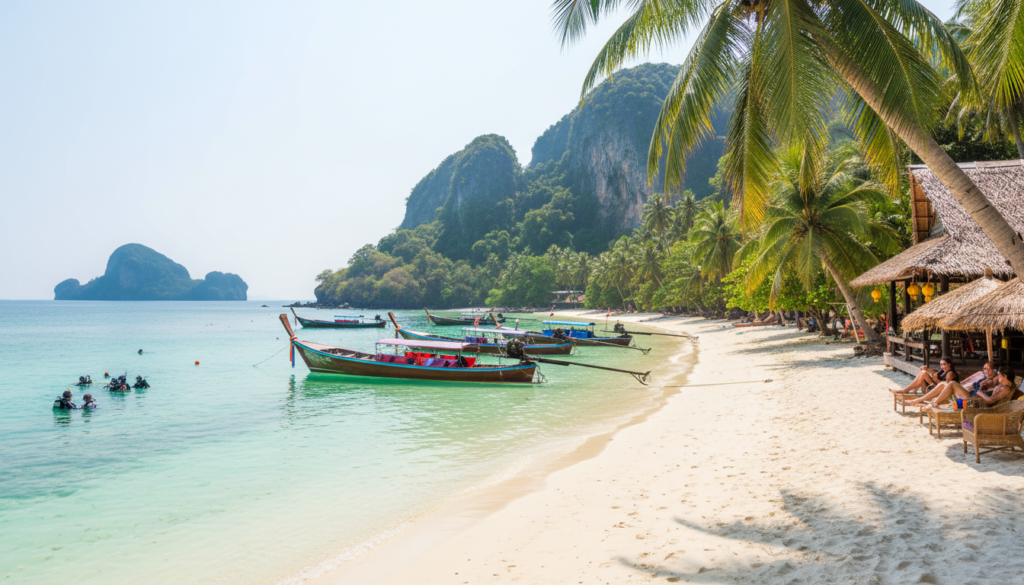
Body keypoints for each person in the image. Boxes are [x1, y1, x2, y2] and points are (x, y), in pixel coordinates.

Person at [922, 367, 1018, 410]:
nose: (998, 377)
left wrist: (980, 392)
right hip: (975, 399)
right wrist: (985, 386)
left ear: (1005, 376)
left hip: (976, 403)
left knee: (952, 384)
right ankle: (933, 403)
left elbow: (990, 401)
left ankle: (934, 403)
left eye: (999, 375)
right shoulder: (1003, 386)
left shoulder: (1005, 389)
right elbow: (992, 394)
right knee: (948, 384)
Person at [906, 362, 994, 406]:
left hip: (971, 398)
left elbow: (985, 391)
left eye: (988, 369)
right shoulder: (981, 374)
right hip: (965, 391)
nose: (985, 371)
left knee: (950, 383)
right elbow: (967, 381)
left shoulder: (992, 380)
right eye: (984, 368)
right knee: (943, 383)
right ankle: (918, 400)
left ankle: (933, 403)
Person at [890, 357, 959, 396]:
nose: (942, 366)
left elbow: (947, 386)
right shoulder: (943, 371)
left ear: (949, 364)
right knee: (922, 373)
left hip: (940, 390)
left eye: (944, 364)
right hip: (935, 386)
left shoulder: (950, 373)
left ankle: (905, 390)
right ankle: (914, 391)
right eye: (941, 364)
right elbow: (933, 373)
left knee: (923, 374)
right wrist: (925, 369)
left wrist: (934, 380)